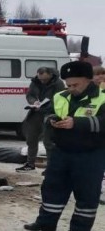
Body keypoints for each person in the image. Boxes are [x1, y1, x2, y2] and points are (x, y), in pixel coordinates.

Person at [24, 61, 105, 231]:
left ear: (88, 80)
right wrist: (52, 120)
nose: (71, 88)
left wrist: (76, 123)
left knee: (87, 196)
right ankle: (45, 225)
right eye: (68, 84)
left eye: (76, 84)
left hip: (90, 155)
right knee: (52, 190)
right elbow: (48, 113)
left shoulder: (102, 97)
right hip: (61, 152)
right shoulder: (61, 95)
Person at [16, 67, 65, 172]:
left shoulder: (58, 83)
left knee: (48, 141)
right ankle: (30, 163)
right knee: (31, 138)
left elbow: (59, 99)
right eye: (41, 79)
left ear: (50, 75)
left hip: (50, 113)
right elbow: (30, 95)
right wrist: (34, 102)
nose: (42, 81)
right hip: (36, 112)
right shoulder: (35, 81)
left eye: (45, 80)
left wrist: (46, 106)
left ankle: (51, 167)